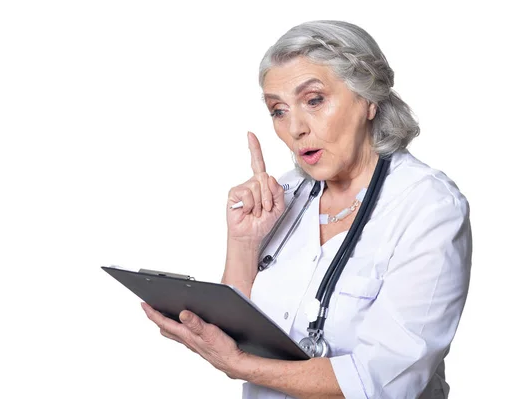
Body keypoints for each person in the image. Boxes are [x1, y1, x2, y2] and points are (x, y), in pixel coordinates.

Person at [141, 20, 472, 399]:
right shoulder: (284, 195)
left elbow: (386, 381)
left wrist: (238, 366)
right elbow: (238, 328)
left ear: (369, 99)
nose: (294, 128)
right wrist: (243, 242)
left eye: (314, 100)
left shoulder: (428, 207)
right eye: (278, 110)